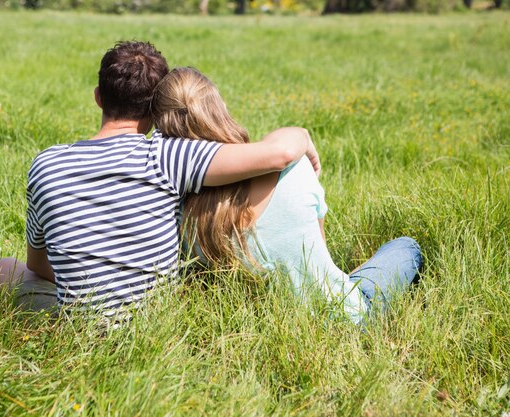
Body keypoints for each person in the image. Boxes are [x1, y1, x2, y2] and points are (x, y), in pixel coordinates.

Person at [0, 41, 322, 325]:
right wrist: (304, 136)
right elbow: (279, 154)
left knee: (4, 268)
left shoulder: (46, 162)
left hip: (78, 327)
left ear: (98, 98)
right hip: (153, 323)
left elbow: (37, 264)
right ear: (154, 110)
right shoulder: (168, 156)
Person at [151, 67, 423, 324]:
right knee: (406, 247)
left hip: (258, 327)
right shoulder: (294, 169)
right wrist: (301, 136)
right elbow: (321, 258)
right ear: (219, 110)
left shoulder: (178, 208)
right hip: (345, 317)